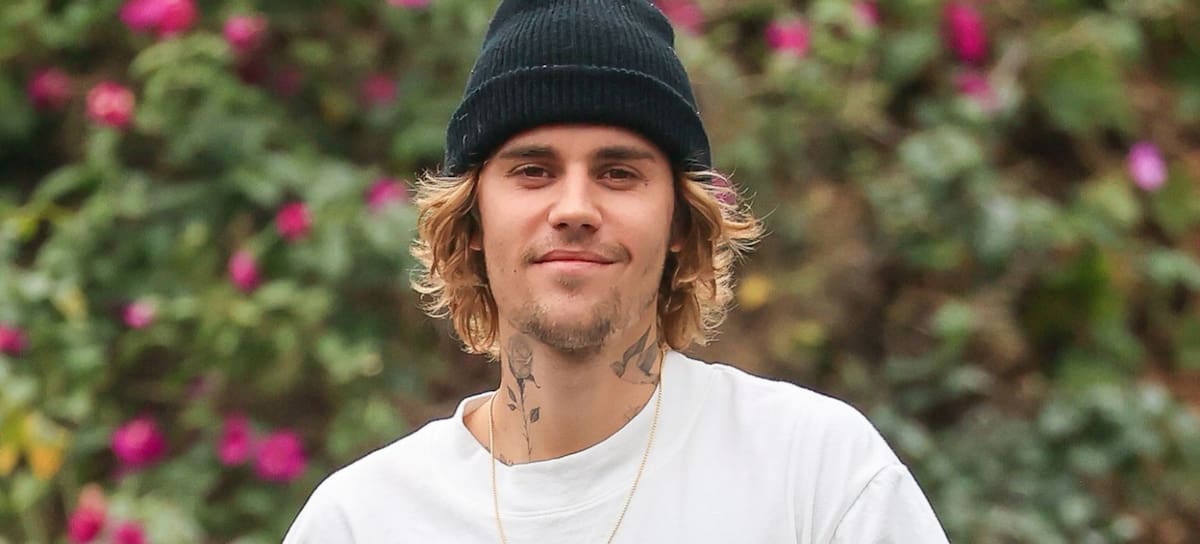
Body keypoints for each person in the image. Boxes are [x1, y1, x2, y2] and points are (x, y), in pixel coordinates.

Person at [284, 0, 948, 542]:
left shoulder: (817, 477)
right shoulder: (363, 521)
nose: (574, 208)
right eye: (533, 170)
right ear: (473, 221)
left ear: (681, 223)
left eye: (619, 173)